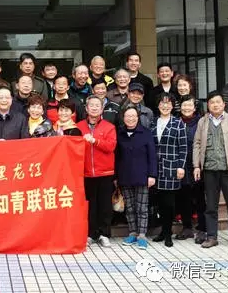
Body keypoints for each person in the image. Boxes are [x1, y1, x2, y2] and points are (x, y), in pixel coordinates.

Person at [193, 90, 228, 250]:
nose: (215, 105)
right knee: (211, 206)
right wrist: (196, 165)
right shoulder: (203, 122)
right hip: (209, 170)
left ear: (224, 104)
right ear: (208, 105)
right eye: (212, 102)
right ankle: (212, 237)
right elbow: (197, 144)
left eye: (218, 102)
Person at [77, 96, 117, 248]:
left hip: (105, 172)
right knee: (90, 205)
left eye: (97, 106)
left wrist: (95, 141)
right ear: (86, 108)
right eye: (91, 105)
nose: (94, 108)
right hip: (86, 172)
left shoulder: (109, 127)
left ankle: (104, 234)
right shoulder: (79, 126)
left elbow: (111, 146)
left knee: (105, 205)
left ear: (102, 109)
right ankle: (91, 234)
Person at [116, 106, 157, 250]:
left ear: (138, 118)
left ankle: (142, 235)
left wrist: (152, 175)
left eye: (133, 116)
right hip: (125, 175)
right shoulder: (120, 133)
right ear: (123, 118)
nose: (130, 119)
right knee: (130, 207)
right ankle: (133, 232)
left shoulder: (146, 133)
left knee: (142, 207)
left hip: (142, 175)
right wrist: (116, 176)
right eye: (128, 116)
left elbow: (152, 156)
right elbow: (117, 156)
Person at [150, 93, 187, 248]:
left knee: (169, 203)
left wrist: (181, 166)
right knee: (158, 201)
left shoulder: (178, 123)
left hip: (171, 167)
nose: (165, 106)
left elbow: (183, 147)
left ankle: (168, 233)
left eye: (168, 103)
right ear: (158, 105)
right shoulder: (153, 122)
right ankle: (162, 231)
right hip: (155, 167)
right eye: (162, 103)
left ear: (172, 106)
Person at [176, 95, 206, 242]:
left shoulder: (201, 122)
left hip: (198, 166)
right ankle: (187, 227)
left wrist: (199, 164)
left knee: (200, 198)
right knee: (184, 198)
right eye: (184, 105)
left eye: (189, 105)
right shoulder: (176, 122)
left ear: (194, 108)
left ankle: (202, 228)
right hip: (181, 166)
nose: (186, 108)